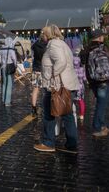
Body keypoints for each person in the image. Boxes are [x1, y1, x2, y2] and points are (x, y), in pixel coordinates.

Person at [33, 24, 80, 153]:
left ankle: (48, 142)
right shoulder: (63, 44)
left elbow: (61, 62)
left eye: (43, 34)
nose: (42, 36)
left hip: (56, 85)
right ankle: (71, 144)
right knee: (67, 114)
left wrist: (50, 75)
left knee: (49, 114)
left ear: (48, 35)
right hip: (66, 84)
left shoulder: (53, 45)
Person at [86, 29, 109, 138]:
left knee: (101, 105)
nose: (103, 38)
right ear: (99, 37)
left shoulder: (90, 49)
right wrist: (108, 75)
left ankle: (102, 125)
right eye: (102, 36)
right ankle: (97, 128)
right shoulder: (98, 49)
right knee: (101, 106)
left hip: (96, 81)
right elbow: (103, 66)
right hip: (102, 81)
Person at [31, 35, 48, 116]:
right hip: (44, 69)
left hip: (35, 69)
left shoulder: (35, 45)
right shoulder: (47, 45)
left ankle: (34, 108)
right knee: (46, 89)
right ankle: (45, 107)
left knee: (35, 89)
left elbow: (33, 55)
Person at [0, 37, 17, 107]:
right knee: (9, 85)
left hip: (2, 67)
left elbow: (0, 60)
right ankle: (7, 102)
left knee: (4, 84)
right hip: (9, 67)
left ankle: (3, 100)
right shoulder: (11, 50)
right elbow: (14, 60)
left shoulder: (1, 50)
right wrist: (15, 66)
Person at [72, 48, 87, 122]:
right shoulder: (81, 69)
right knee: (81, 101)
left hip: (73, 87)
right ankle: (82, 115)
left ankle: (73, 113)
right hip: (81, 87)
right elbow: (84, 79)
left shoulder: (71, 70)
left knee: (73, 101)